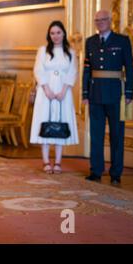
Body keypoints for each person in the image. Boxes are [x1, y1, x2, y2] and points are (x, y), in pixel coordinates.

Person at [83, 10, 133, 186]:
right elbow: (87, 70)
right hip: (95, 94)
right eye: (97, 20)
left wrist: (129, 93)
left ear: (110, 21)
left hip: (116, 95)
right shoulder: (90, 42)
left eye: (104, 19)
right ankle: (96, 171)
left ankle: (115, 173)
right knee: (96, 135)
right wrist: (84, 93)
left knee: (117, 136)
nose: (100, 22)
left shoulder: (122, 41)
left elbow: (129, 68)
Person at [30, 21, 79, 174]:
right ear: (49, 35)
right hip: (46, 91)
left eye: (58, 32)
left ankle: (58, 162)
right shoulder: (42, 50)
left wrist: (64, 90)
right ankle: (45, 161)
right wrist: (46, 88)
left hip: (63, 92)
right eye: (52, 33)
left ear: (63, 33)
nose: (55, 36)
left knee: (60, 124)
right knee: (44, 123)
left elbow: (73, 71)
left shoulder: (70, 52)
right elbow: (38, 70)